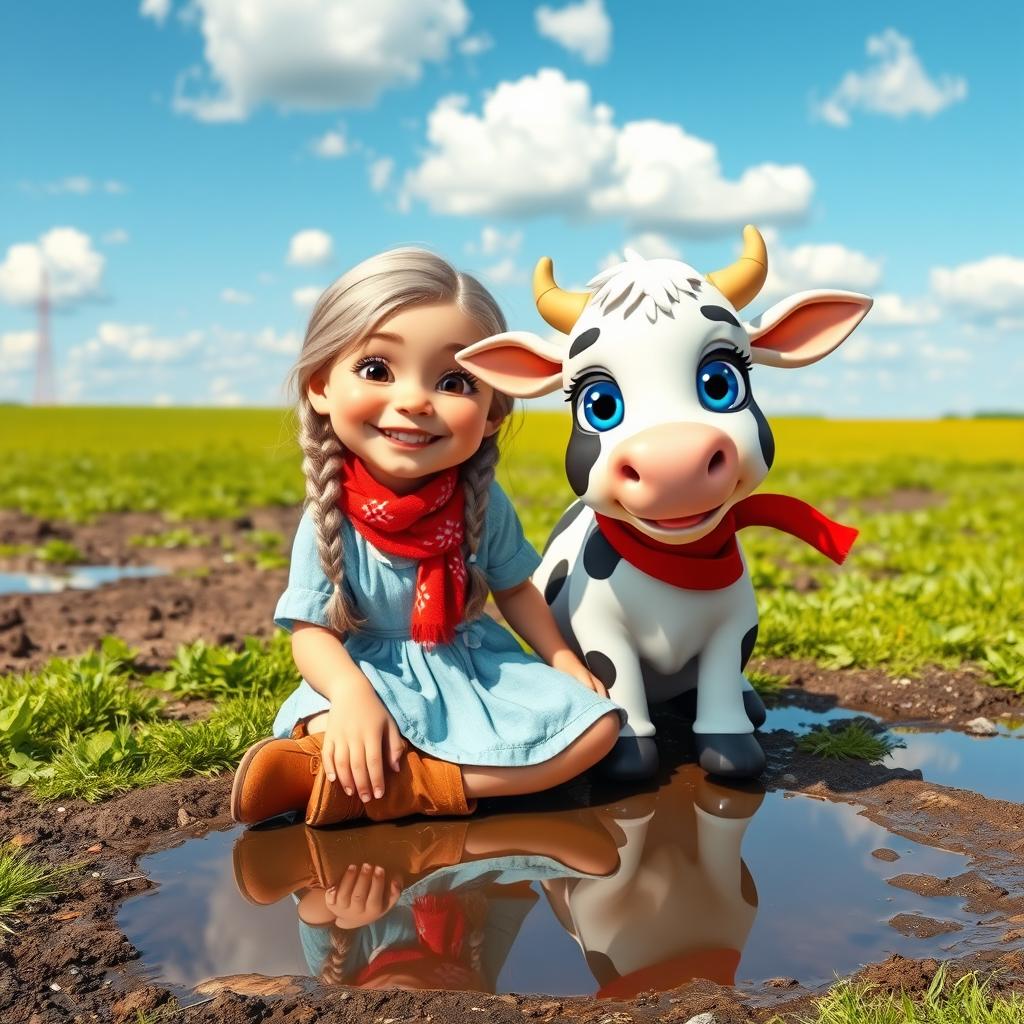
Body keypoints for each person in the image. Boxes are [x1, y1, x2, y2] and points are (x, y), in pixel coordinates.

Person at [230, 247, 623, 828]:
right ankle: (341, 759)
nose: (414, 400)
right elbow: (310, 633)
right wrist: (351, 694)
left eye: (453, 381)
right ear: (320, 387)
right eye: (376, 370)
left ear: (494, 411)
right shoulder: (329, 516)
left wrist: (561, 658)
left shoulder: (482, 505)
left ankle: (409, 783)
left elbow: (516, 590)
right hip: (366, 671)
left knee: (595, 730)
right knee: (334, 722)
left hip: (469, 665)